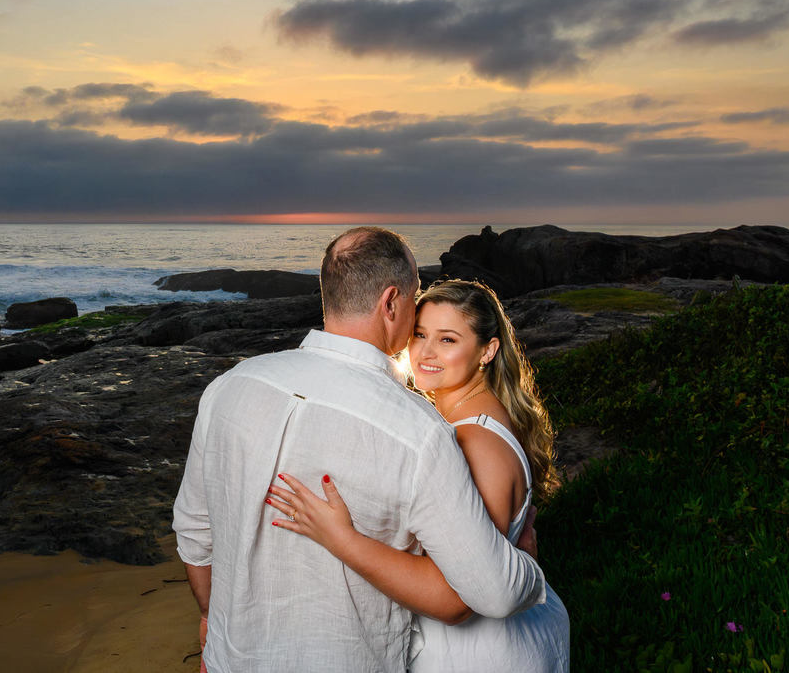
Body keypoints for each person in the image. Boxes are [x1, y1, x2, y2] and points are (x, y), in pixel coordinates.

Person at [172, 228, 547, 673]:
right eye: (415, 296)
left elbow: (196, 536)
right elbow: (487, 594)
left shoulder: (227, 387)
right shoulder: (420, 433)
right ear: (391, 302)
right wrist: (525, 561)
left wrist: (211, 619)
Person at [267, 279, 570, 672]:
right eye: (420, 334)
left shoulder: (474, 442)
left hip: (470, 655)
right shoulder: (460, 421)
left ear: (487, 350)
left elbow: (455, 593)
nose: (425, 352)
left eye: (447, 340)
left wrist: (341, 539)